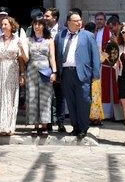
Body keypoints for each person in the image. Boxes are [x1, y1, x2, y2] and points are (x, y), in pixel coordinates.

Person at [56, 12, 101, 140]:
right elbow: (57, 54)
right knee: (71, 101)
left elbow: (95, 56)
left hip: (82, 73)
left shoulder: (88, 35)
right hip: (66, 73)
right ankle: (75, 127)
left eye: (80, 20)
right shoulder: (60, 36)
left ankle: (83, 128)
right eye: (75, 21)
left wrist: (96, 74)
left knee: (84, 101)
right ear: (68, 22)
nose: (79, 22)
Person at [0, 16, 28, 136]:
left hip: (12, 70)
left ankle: (9, 126)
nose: (3, 26)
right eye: (2, 24)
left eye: (5, 24)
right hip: (0, 70)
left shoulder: (17, 40)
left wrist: (22, 74)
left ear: (11, 26)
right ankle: (0, 126)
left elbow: (23, 59)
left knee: (10, 98)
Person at [25, 17, 57, 137]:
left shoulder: (49, 40)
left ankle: (44, 124)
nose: (37, 26)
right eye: (35, 24)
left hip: (45, 70)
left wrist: (54, 72)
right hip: (32, 70)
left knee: (45, 97)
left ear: (44, 26)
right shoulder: (29, 40)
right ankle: (35, 124)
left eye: (39, 24)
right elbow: (25, 57)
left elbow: (52, 57)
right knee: (32, 96)